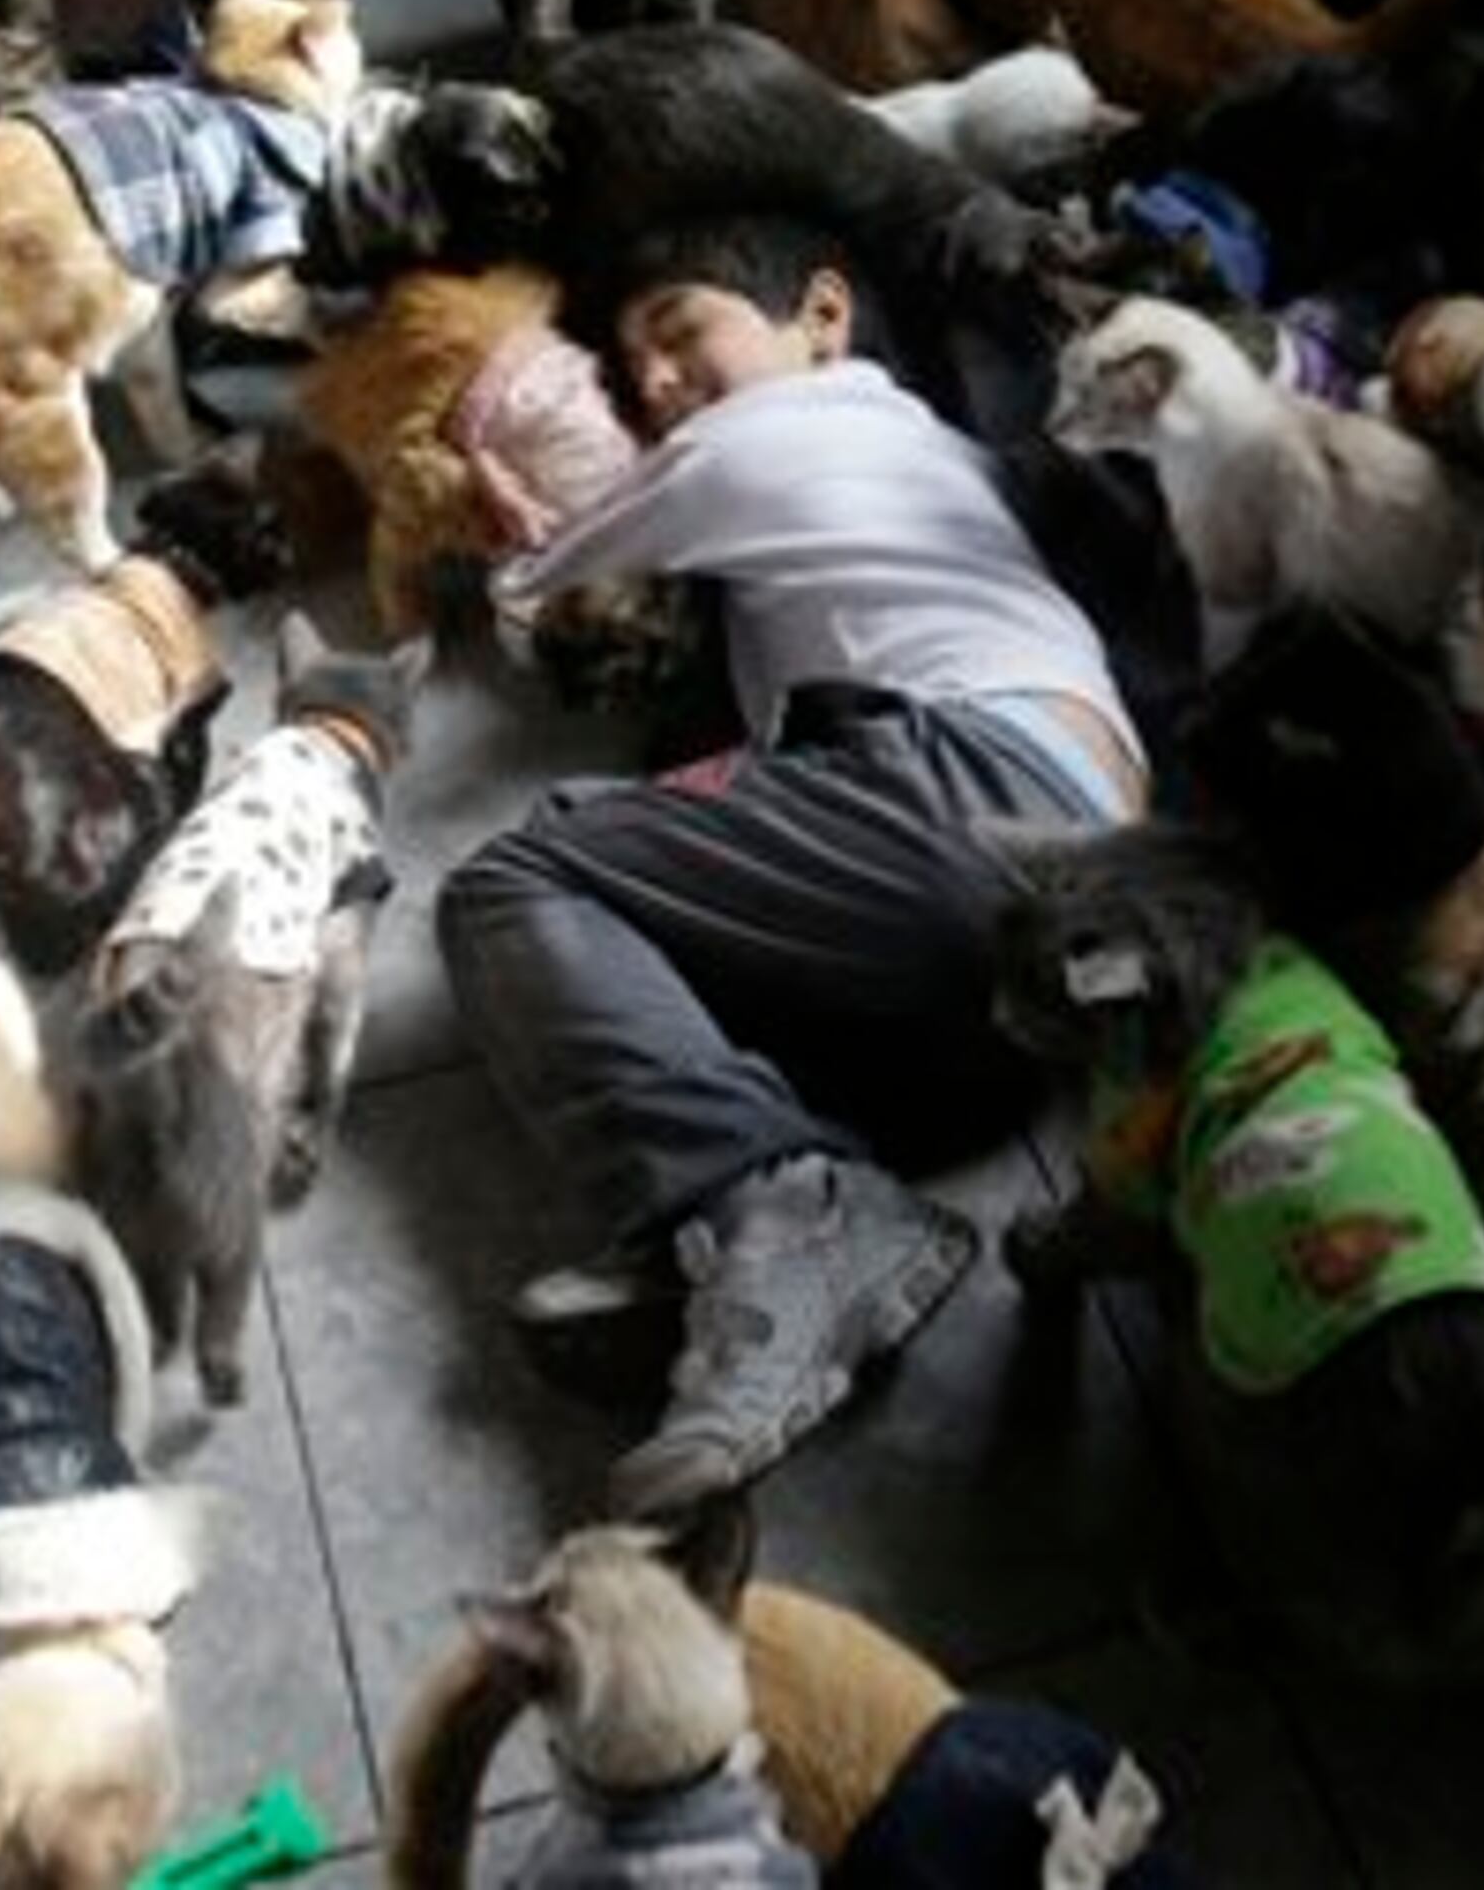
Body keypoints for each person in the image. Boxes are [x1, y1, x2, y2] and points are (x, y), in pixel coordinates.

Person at [439, 212, 1146, 1518]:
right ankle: (744, 1251)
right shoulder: (926, 458)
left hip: (970, 800)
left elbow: (537, 591)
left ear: (824, 314)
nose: (652, 382)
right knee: (679, 977)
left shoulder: (778, 430)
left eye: (680, 331)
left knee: (518, 882)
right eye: (629, 365)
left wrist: (514, 545)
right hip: (1035, 965)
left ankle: (781, 1217)